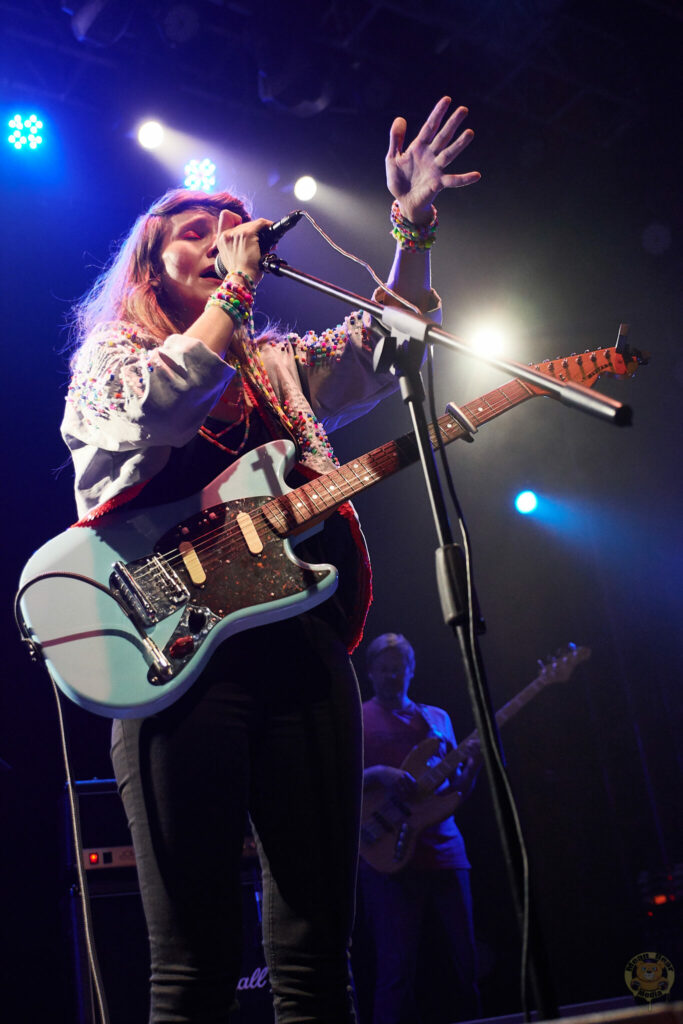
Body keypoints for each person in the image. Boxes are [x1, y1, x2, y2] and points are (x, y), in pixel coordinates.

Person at [60, 98, 480, 1023]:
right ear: (148, 259)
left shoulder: (277, 364)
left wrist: (412, 228)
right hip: (175, 665)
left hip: (300, 651)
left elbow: (388, 346)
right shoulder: (107, 364)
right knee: (195, 963)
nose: (220, 239)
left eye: (229, 227)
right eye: (193, 232)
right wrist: (233, 294)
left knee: (316, 956)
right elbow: (164, 407)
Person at [358, 633, 482, 1024]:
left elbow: (457, 789)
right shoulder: (359, 718)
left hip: (445, 850)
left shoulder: (437, 718)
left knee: (467, 966)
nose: (392, 675)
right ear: (371, 672)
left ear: (411, 670)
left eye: (399, 668)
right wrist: (380, 773)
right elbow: (337, 782)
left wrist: (474, 766)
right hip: (384, 853)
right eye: (384, 668)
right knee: (396, 971)